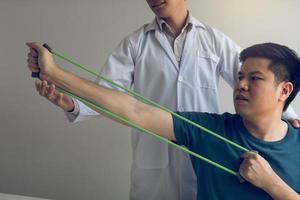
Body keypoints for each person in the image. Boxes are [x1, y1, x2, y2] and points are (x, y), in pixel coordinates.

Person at [28, 0, 300, 199]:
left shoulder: (214, 41)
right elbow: (116, 99)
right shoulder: (135, 43)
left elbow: (264, 81)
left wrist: (290, 117)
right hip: (159, 157)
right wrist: (71, 101)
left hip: (208, 155)